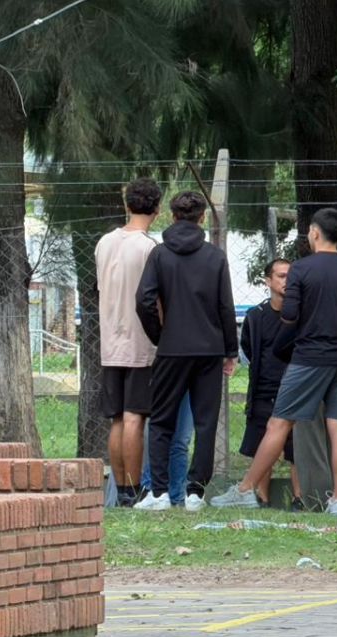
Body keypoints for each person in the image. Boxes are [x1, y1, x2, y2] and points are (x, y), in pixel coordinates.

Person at [210, 208, 337, 514]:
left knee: (278, 422)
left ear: (314, 232)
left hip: (309, 356)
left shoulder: (301, 269)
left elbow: (289, 315)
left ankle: (246, 489)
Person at [134, 191, 238, 511]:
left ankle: (160, 492)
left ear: (172, 215)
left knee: (163, 419)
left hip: (172, 348)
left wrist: (160, 335)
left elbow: (144, 300)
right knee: (206, 421)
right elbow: (225, 305)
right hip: (209, 349)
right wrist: (230, 350)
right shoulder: (215, 256)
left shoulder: (160, 254)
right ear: (202, 217)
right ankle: (195, 492)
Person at [94, 178, 161, 506]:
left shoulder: (104, 242)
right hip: (140, 341)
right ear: (157, 210)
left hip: (110, 341)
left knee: (117, 418)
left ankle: (121, 488)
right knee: (136, 416)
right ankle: (134, 490)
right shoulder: (149, 247)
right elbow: (152, 298)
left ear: (127, 204)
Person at [238, 259, 302, 508]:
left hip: (295, 389)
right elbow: (248, 351)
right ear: (268, 280)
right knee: (261, 446)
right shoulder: (256, 316)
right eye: (281, 276)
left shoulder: (301, 314)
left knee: (297, 449)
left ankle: (299, 499)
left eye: (290, 276)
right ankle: (261, 499)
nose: (286, 281)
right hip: (263, 390)